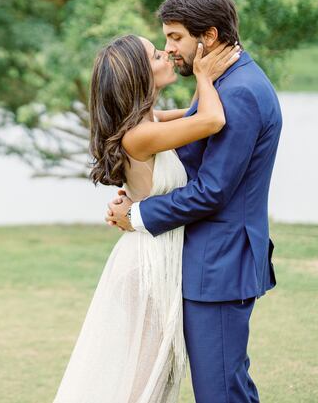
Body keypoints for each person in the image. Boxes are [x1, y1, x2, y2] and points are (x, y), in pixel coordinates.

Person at [105, 0, 281, 403]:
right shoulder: (224, 84)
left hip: (218, 266)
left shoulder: (238, 94)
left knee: (221, 391)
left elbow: (212, 191)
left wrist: (139, 215)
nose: (171, 50)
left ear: (210, 37)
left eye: (176, 37)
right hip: (204, 263)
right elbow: (183, 140)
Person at [53, 29, 240, 403]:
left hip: (155, 255)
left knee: (155, 373)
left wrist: (211, 80)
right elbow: (212, 121)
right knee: (144, 378)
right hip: (146, 264)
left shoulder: (149, 122)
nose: (167, 56)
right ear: (140, 77)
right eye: (157, 56)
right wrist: (204, 76)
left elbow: (195, 115)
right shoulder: (138, 136)